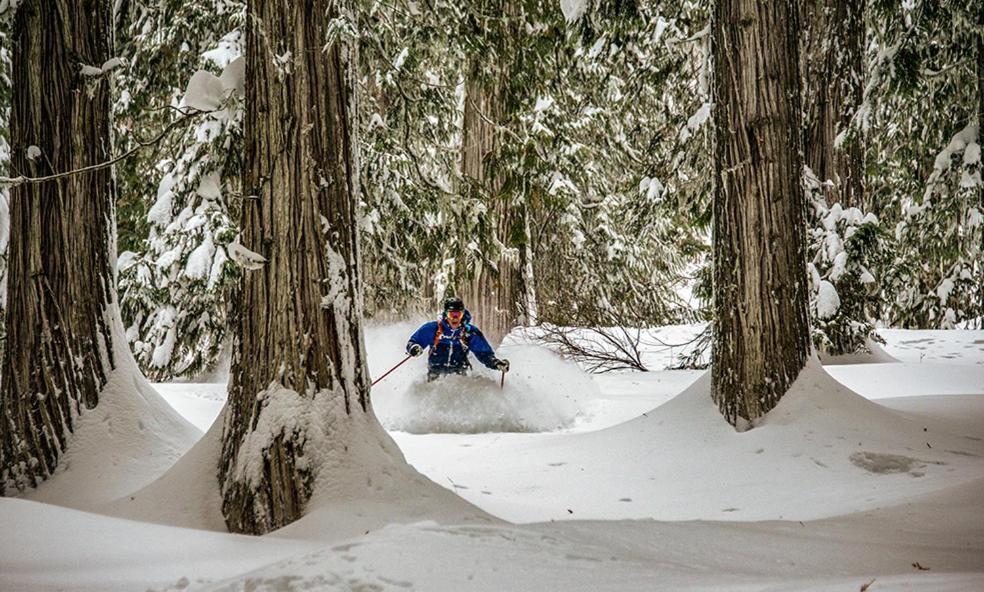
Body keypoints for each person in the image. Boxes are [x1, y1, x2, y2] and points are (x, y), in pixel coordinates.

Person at [406, 296, 510, 382]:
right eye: (451, 314)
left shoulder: (470, 332)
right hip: (435, 376)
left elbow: (484, 354)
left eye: (458, 314)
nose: (455, 318)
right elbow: (413, 342)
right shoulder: (433, 329)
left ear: (462, 315)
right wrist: (414, 348)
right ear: (446, 315)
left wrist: (496, 363)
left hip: (460, 378)